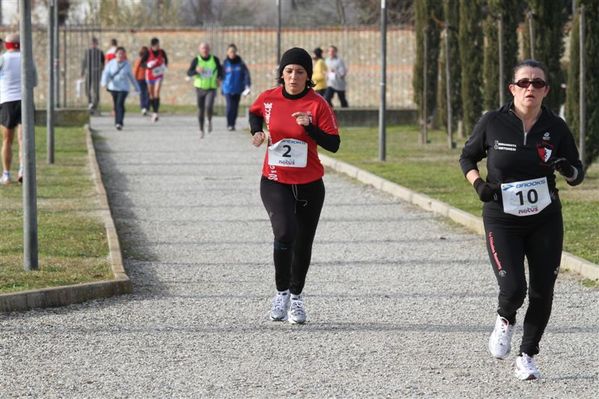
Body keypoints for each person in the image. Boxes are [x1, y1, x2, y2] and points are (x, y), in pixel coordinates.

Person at [459, 59, 584, 381]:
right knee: (514, 288)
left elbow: (576, 173)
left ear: (546, 91)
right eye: (524, 82)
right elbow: (468, 156)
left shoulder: (555, 127)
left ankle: (527, 354)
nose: (531, 88)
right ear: (512, 88)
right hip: (502, 218)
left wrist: (565, 168)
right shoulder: (493, 122)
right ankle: (505, 317)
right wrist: (478, 184)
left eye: (538, 83)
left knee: (543, 291)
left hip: (544, 218)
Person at [248, 47, 340, 324]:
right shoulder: (269, 99)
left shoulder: (318, 104)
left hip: (310, 184)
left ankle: (297, 297)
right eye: (289, 71)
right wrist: (257, 131)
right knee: (285, 232)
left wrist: (311, 127)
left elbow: (334, 144)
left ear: (308, 76)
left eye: (300, 72)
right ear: (282, 74)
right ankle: (281, 291)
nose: (293, 76)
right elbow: (254, 113)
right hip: (275, 181)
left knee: (303, 243)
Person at [1, 33, 37, 185]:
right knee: (24, 139)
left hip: (7, 101)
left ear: (6, 45)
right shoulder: (27, 58)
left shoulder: (2, 58)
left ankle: (6, 174)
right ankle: (22, 170)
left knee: (7, 140)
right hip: (25, 100)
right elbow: (34, 81)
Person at [186, 42, 222, 137]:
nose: (205, 50)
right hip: (199, 88)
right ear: (200, 50)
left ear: (209, 49)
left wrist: (219, 78)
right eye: (203, 48)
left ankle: (209, 120)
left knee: (209, 106)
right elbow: (189, 73)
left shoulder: (214, 59)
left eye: (206, 48)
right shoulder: (196, 60)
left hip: (211, 88)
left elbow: (221, 70)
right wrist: (196, 71)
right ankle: (201, 129)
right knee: (200, 109)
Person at [101, 47, 140, 130]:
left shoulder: (127, 65)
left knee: (119, 104)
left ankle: (119, 122)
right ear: (115, 54)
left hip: (123, 88)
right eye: (119, 53)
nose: (120, 55)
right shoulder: (111, 63)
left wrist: (137, 87)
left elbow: (131, 77)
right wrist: (104, 82)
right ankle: (117, 122)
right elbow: (106, 73)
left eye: (122, 53)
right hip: (113, 87)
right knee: (116, 105)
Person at [221, 43, 251, 131]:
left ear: (236, 52)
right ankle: (229, 124)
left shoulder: (241, 63)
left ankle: (233, 124)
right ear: (227, 53)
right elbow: (221, 75)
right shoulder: (225, 64)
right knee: (229, 106)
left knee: (235, 107)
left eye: (233, 51)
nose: (232, 53)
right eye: (230, 52)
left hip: (238, 88)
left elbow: (246, 75)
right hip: (227, 88)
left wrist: (247, 85)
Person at [142, 37, 168, 122]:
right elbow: (142, 64)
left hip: (158, 74)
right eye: (156, 45)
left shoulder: (162, 52)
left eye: (158, 45)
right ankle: (152, 111)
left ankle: (156, 112)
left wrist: (163, 66)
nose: (157, 47)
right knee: (151, 94)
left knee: (157, 92)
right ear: (152, 46)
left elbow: (166, 60)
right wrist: (148, 65)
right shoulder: (147, 52)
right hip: (149, 75)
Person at [80, 37, 105, 115]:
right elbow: (84, 61)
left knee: (95, 89)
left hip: (96, 72)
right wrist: (83, 71)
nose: (93, 45)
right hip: (89, 72)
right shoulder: (87, 52)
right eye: (92, 43)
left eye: (95, 43)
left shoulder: (100, 52)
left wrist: (101, 70)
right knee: (87, 88)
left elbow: (103, 62)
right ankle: (90, 102)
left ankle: (95, 105)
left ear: (96, 44)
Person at [133, 46, 150, 116]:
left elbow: (135, 69)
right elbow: (136, 69)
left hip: (144, 78)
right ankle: (144, 107)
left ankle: (144, 107)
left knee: (145, 93)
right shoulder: (141, 60)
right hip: (141, 78)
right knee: (145, 93)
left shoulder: (144, 60)